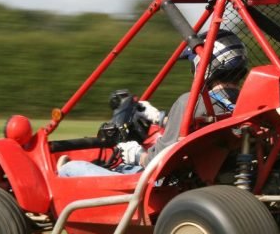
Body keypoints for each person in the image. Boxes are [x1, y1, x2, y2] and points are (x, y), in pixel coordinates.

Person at [58, 30, 248, 177]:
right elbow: (196, 127)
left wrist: (136, 155)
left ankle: (64, 169)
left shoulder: (189, 103)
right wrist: (160, 118)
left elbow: (158, 161)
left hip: (165, 184)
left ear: (204, 63)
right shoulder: (246, 103)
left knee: (71, 168)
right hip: (212, 175)